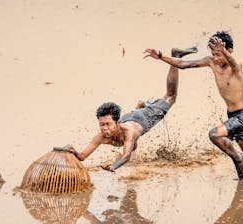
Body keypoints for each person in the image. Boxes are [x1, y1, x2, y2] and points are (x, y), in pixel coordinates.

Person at [144, 31, 243, 179]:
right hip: (233, 116)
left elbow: (235, 64)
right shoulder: (211, 62)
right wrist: (161, 56)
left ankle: (238, 158)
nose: (216, 58)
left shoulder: (236, 65)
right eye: (213, 54)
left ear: (229, 50)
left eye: (219, 54)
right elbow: (183, 64)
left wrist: (223, 51)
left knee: (214, 134)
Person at [65, 47, 197, 172]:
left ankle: (175, 56)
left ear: (117, 122)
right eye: (102, 124)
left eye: (108, 124)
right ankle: (140, 106)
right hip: (130, 117)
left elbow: (126, 156)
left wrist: (113, 166)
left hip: (145, 118)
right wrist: (72, 151)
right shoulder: (100, 137)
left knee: (170, 96)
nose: (104, 128)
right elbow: (82, 157)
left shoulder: (128, 132)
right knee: (133, 146)